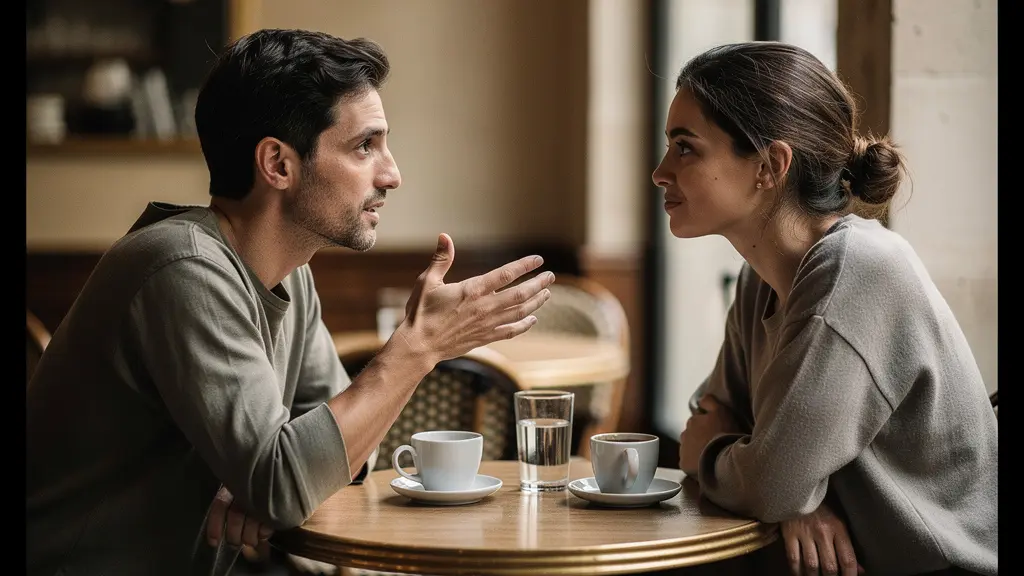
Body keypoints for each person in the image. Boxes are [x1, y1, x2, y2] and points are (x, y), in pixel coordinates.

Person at [26, 28, 555, 576]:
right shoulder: (183, 268)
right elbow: (289, 479)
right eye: (364, 146)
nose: (392, 174)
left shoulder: (290, 276)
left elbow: (338, 462)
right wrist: (419, 347)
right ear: (277, 164)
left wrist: (277, 481)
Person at [653, 42, 997, 575]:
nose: (660, 171)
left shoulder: (858, 270)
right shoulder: (758, 278)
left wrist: (770, 482)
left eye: (685, 147)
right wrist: (797, 499)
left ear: (770, 165)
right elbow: (720, 418)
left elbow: (749, 466)